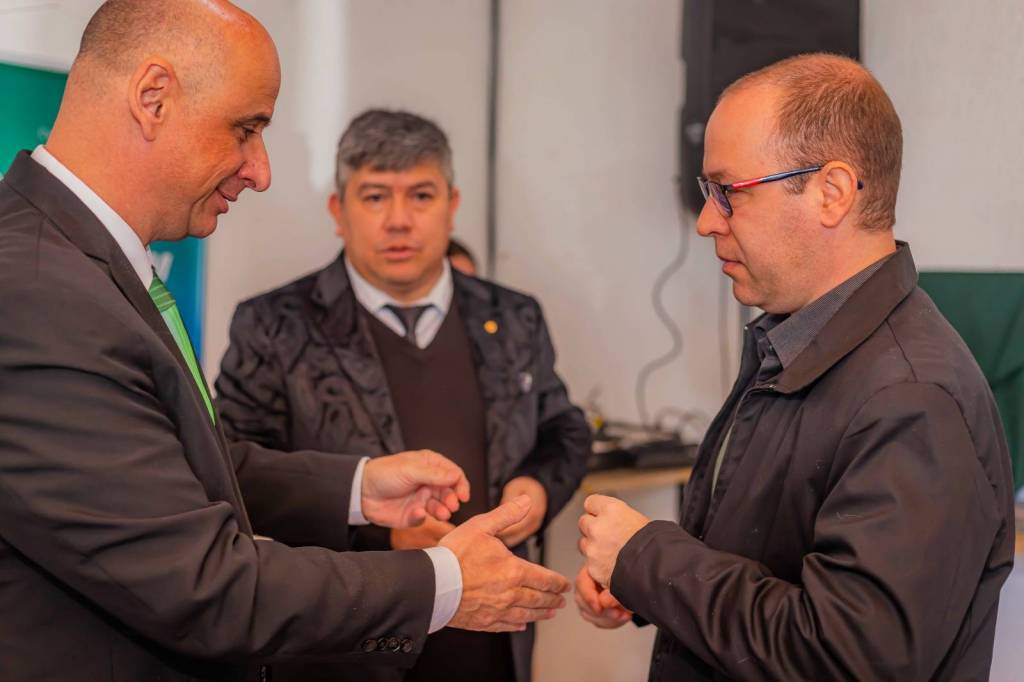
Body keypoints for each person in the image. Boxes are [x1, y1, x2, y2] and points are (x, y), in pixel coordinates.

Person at [0, 2, 571, 681]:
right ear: (152, 98)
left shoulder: (77, 265)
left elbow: (174, 466)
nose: (260, 170)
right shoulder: (38, 292)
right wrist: (443, 579)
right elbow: (207, 588)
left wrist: (355, 488)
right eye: (246, 129)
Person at [576, 53, 1015, 681]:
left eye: (728, 192)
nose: (707, 222)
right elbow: (767, 552)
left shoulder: (911, 399)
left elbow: (846, 657)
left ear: (831, 193)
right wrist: (649, 587)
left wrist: (649, 559)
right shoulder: (797, 341)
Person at [215, 108, 591, 682]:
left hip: (491, 645)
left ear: (452, 205)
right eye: (374, 197)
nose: (398, 221)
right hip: (346, 649)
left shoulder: (513, 317)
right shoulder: (274, 326)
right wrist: (380, 530)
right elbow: (236, 474)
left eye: (420, 196)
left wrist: (536, 491)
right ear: (338, 211)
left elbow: (563, 429)